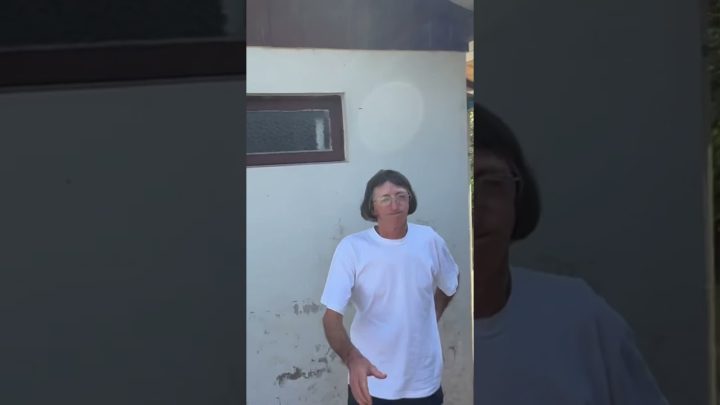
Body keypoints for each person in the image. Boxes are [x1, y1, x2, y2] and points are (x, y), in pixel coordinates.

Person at [472, 102, 669, 404]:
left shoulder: (579, 318)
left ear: (518, 195)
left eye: (491, 183)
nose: (473, 207)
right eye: (452, 184)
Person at [320, 169, 459, 405]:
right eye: (385, 198)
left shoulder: (429, 240)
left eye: (401, 196)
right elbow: (331, 318)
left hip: (423, 380)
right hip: (371, 380)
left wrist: (433, 313)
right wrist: (353, 359)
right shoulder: (352, 248)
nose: (395, 205)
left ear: (410, 201)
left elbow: (451, 281)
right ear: (372, 207)